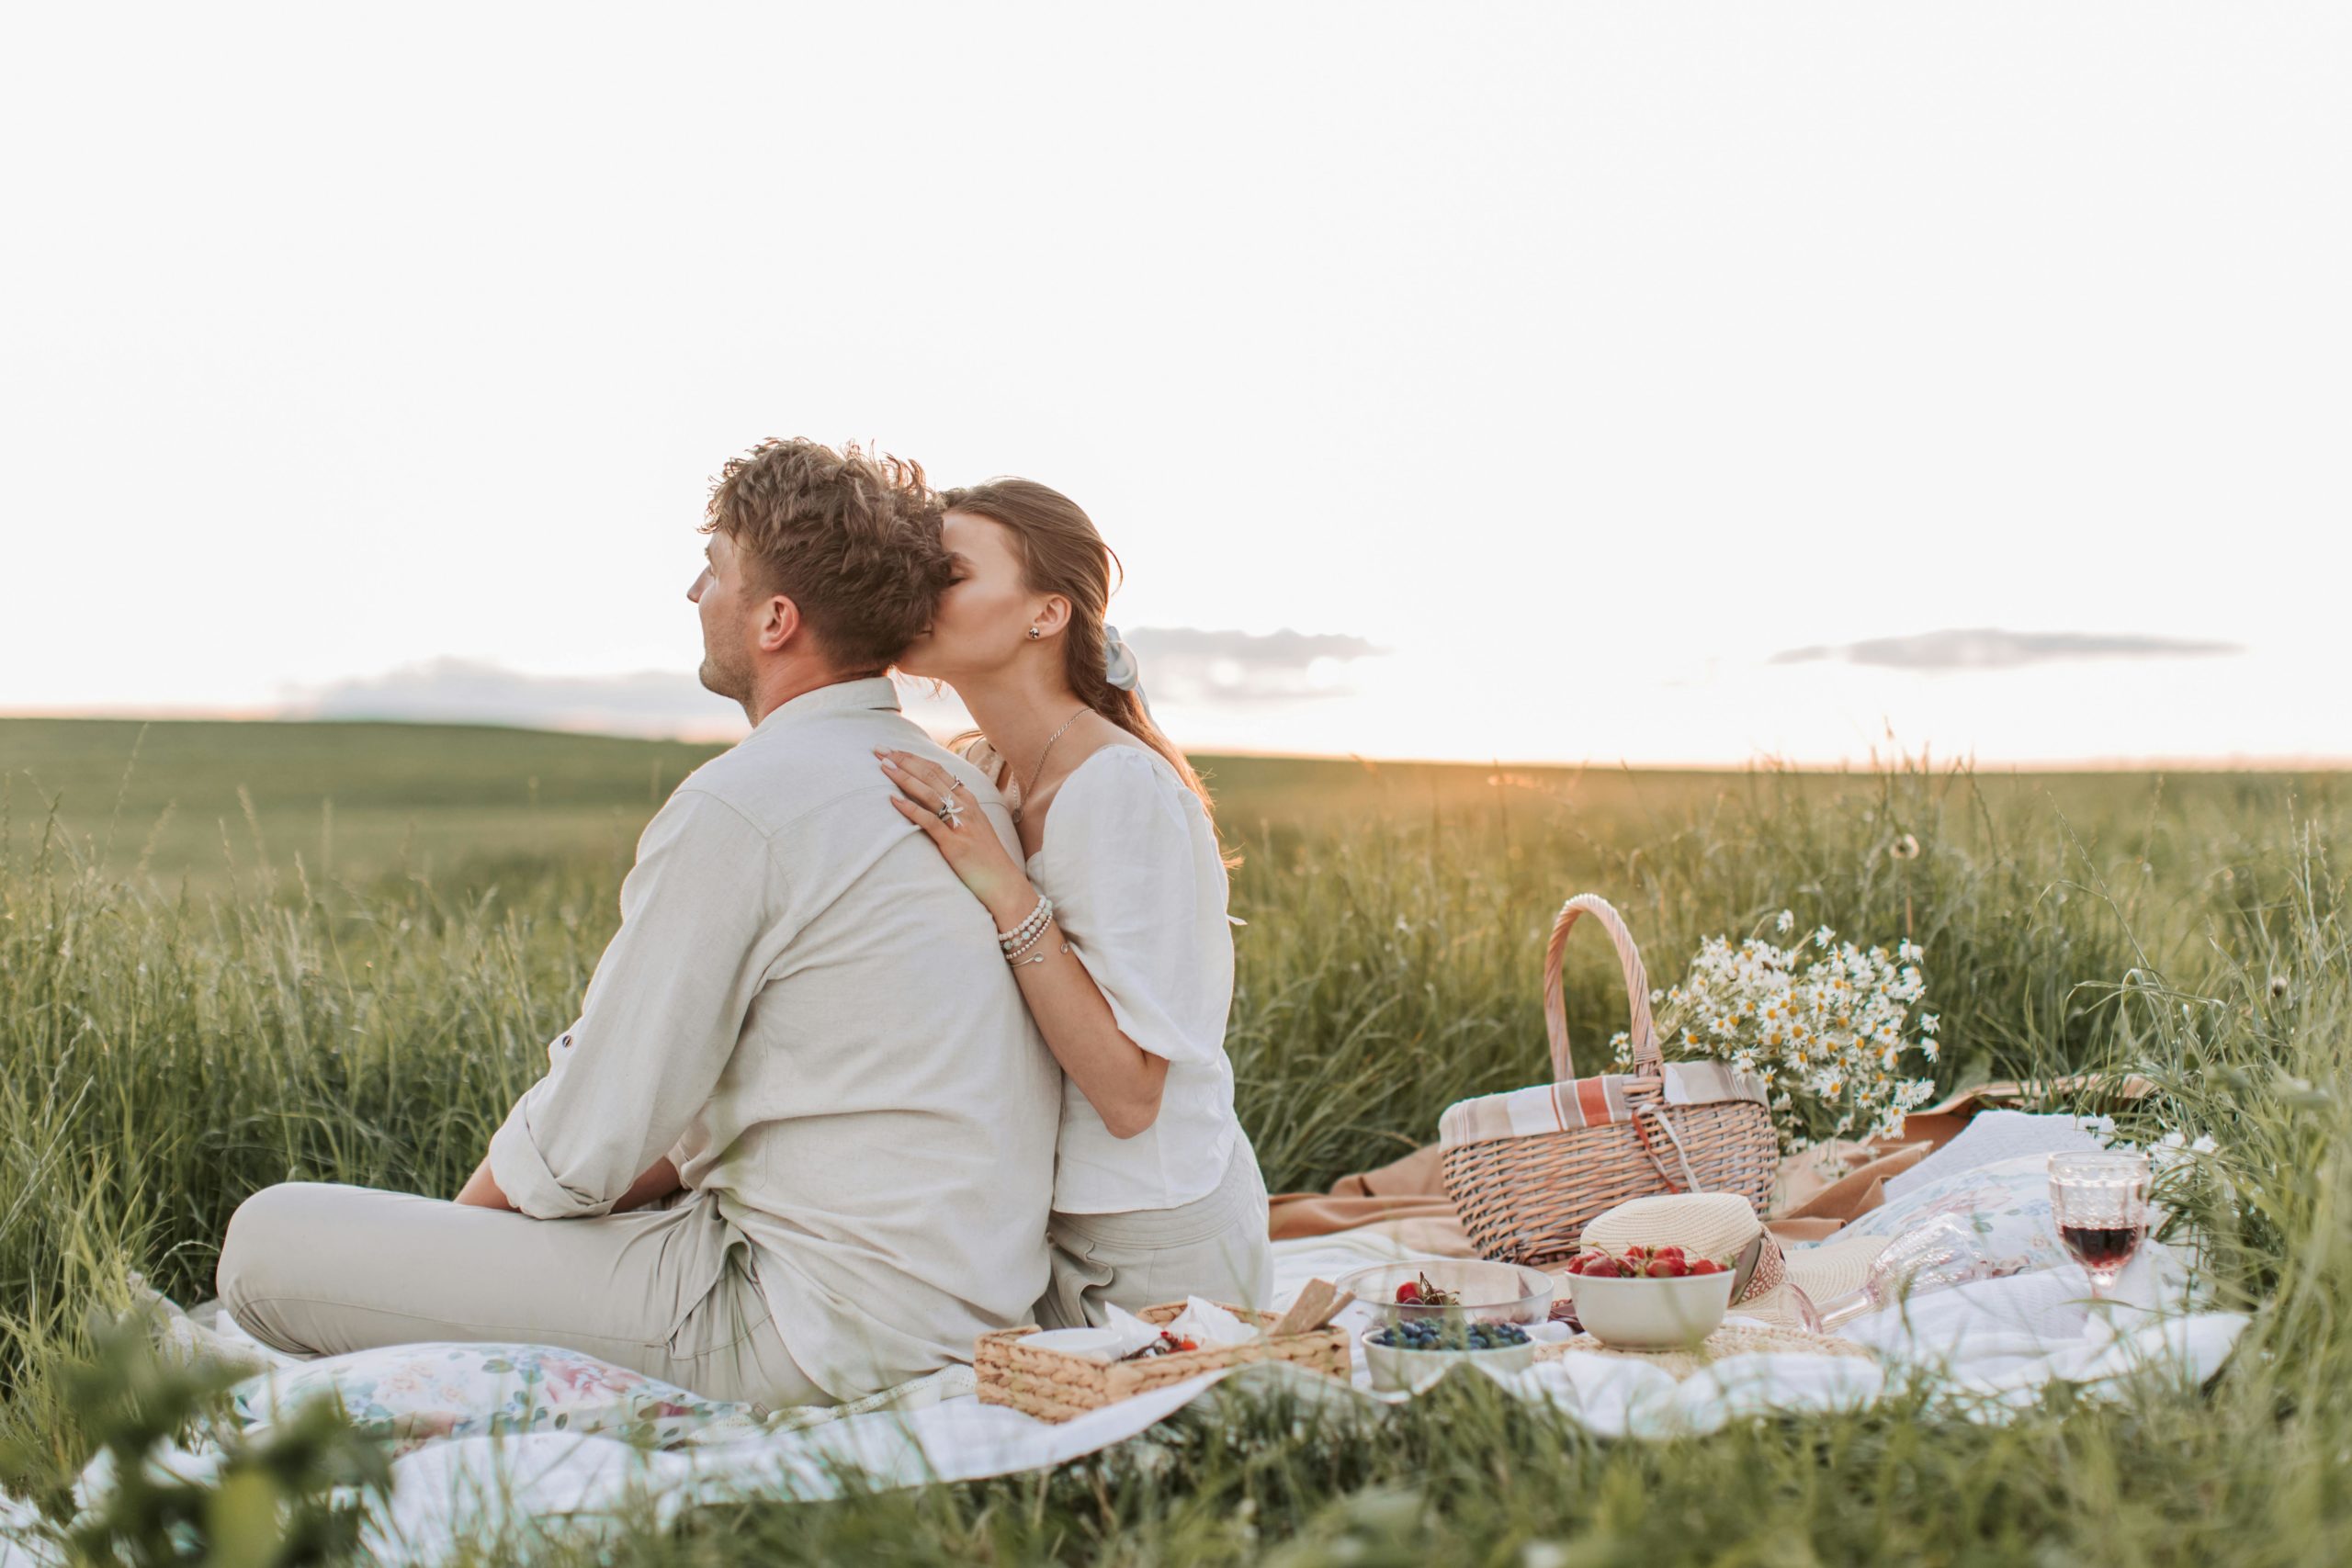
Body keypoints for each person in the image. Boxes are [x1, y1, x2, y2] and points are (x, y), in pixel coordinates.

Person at [215, 439, 1060, 1407]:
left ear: (776, 620)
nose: (694, 591)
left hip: (809, 1327)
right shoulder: (955, 786)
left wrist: (456, 1246)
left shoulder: (746, 805)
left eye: (716, 571)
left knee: (270, 1244)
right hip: (958, 1305)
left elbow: (586, 1143)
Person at [879, 477, 1273, 1329]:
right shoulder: (987, 771)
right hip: (1036, 1228)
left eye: (949, 572)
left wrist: (1006, 887)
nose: (918, 591)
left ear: (1045, 614)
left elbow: (1131, 1098)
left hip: (1152, 1247)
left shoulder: (1116, 790)